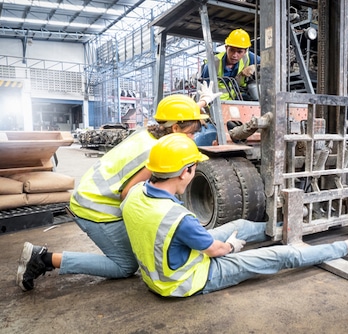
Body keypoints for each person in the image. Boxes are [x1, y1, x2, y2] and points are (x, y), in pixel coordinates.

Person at [121, 133, 348, 297]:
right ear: (185, 171)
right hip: (187, 281)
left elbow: (179, 233)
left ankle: (291, 227)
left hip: (164, 268)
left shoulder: (133, 195)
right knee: (281, 256)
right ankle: (347, 246)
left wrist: (230, 240)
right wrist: (231, 247)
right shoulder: (178, 217)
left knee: (240, 225)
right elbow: (215, 250)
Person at [16, 87, 221, 292]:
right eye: (192, 133)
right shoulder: (155, 155)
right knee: (126, 265)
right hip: (95, 207)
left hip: (91, 193)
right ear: (176, 129)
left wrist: (203, 101)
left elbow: (180, 117)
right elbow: (129, 195)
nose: (193, 138)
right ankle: (43, 259)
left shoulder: (150, 132)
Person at [201, 28, 260, 100]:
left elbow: (271, 65)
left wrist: (255, 67)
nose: (234, 55)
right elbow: (204, 91)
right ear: (226, 48)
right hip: (219, 105)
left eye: (239, 52)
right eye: (232, 50)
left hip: (240, 101)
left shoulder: (250, 58)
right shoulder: (213, 64)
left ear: (245, 51)